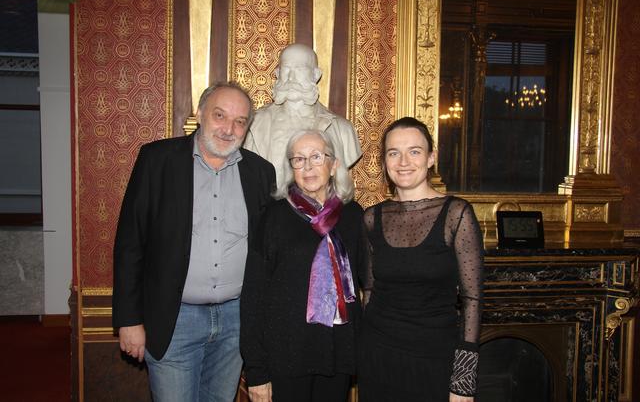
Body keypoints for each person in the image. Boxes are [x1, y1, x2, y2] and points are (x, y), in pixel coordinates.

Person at [112, 82, 276, 402]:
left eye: (240, 121)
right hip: (174, 320)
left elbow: (267, 251)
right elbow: (130, 242)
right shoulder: (157, 160)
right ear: (200, 114)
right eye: (219, 115)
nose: (229, 128)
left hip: (235, 321)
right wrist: (129, 320)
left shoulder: (260, 172)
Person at [358, 117, 484, 402]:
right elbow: (369, 291)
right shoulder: (371, 217)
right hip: (378, 355)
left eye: (414, 151)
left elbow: (472, 300)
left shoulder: (457, 214)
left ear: (431, 158)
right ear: (385, 161)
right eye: (393, 153)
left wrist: (464, 379)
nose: (403, 161)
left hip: (434, 356)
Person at [240, 129, 364, 402]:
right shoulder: (272, 217)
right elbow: (253, 297)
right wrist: (257, 370)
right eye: (298, 159)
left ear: (333, 165)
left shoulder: (354, 216)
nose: (307, 167)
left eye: (316, 157)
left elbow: (371, 281)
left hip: (336, 352)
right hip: (286, 356)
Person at [243, 43, 362, 185]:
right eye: (286, 70)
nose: (291, 78)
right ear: (277, 74)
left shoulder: (343, 129)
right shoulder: (253, 124)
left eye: (300, 70)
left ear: (316, 75)